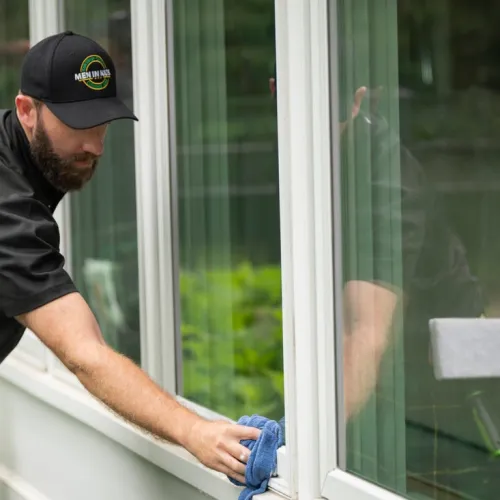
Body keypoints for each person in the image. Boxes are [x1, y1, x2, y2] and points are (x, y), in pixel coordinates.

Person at [0, 30, 260, 483]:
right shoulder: (8, 207)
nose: (96, 146)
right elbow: (83, 352)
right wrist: (193, 430)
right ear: (27, 111)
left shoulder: (22, 157)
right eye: (79, 126)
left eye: (102, 124)